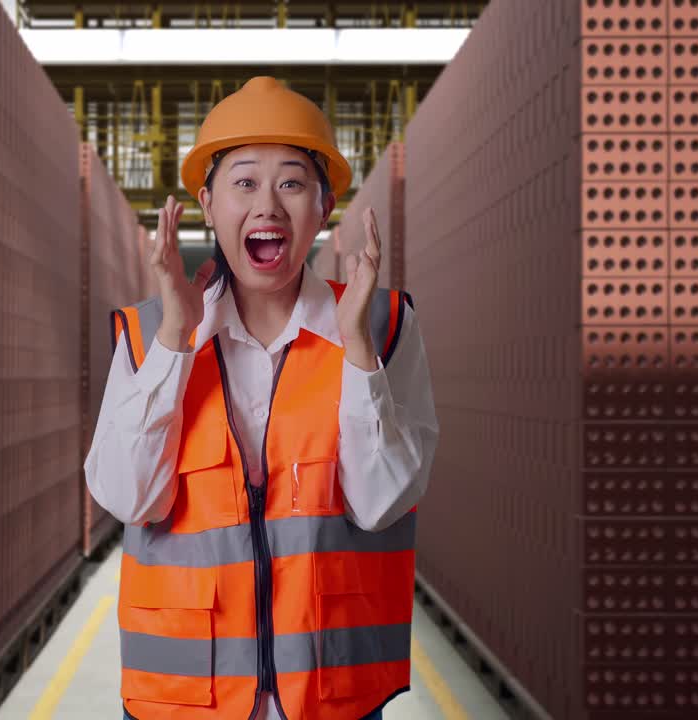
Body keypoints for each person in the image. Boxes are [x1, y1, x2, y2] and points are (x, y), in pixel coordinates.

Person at [84, 76, 439, 720]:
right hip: (186, 701)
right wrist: (174, 339)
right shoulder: (147, 336)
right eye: (244, 182)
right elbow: (128, 496)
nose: (268, 206)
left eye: (293, 183)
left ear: (325, 205)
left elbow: (382, 502)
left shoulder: (383, 328)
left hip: (331, 701)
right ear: (207, 203)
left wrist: (355, 349)